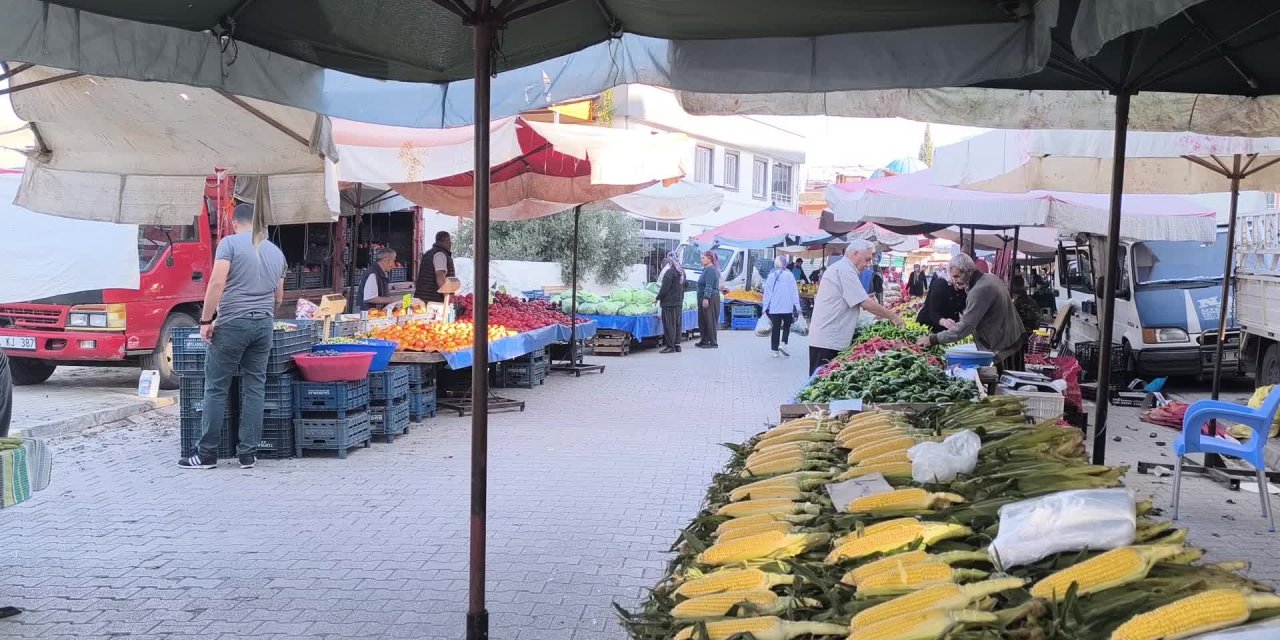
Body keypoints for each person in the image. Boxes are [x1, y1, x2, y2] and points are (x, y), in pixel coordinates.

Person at [182, 203, 287, 470]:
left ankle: (206, 454)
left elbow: (217, 283)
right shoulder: (276, 252)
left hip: (232, 324)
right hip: (264, 325)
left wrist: (206, 320)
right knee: (255, 387)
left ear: (233, 221)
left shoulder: (229, 244)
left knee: (216, 388)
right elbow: (279, 297)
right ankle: (247, 455)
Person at [916, 254, 1026, 372]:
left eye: (957, 276)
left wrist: (933, 339)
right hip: (1012, 339)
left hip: (1004, 346)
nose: (955, 281)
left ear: (968, 272)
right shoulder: (990, 278)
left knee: (1004, 385)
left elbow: (965, 328)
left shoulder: (980, 290)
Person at [809, 240, 904, 374]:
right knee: (819, 381)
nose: (867, 264)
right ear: (855, 254)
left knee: (824, 379)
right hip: (828, 340)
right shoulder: (844, 270)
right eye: (867, 259)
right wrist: (893, 316)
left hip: (831, 337)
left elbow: (856, 299)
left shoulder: (844, 269)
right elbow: (864, 302)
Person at [763, 256, 802, 358]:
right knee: (786, 326)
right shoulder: (790, 275)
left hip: (775, 308)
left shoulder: (771, 276)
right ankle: (783, 343)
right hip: (787, 307)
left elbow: (767, 293)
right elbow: (794, 292)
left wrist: (764, 307)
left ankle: (775, 351)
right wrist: (798, 307)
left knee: (775, 328)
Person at [916, 269, 968, 334]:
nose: (962, 286)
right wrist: (944, 321)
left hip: (948, 328)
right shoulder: (940, 285)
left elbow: (962, 307)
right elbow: (933, 312)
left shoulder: (963, 288)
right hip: (928, 325)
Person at [656, 251, 685, 354]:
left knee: (669, 325)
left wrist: (657, 297)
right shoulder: (681, 272)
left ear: (669, 260)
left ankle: (670, 346)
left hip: (669, 303)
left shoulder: (669, 272)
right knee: (677, 324)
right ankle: (677, 345)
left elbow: (664, 289)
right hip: (678, 303)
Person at [416, 230, 455, 303]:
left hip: (423, 299)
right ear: (446, 241)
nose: (450, 243)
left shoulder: (428, 253)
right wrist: (448, 297)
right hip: (434, 301)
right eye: (449, 241)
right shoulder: (440, 254)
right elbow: (440, 277)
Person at [695, 250, 722, 349]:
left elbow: (709, 285)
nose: (701, 260)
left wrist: (706, 298)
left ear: (710, 259)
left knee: (709, 320)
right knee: (703, 320)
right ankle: (704, 340)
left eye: (703, 258)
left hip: (710, 299)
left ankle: (712, 342)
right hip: (702, 297)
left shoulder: (711, 270)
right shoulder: (706, 269)